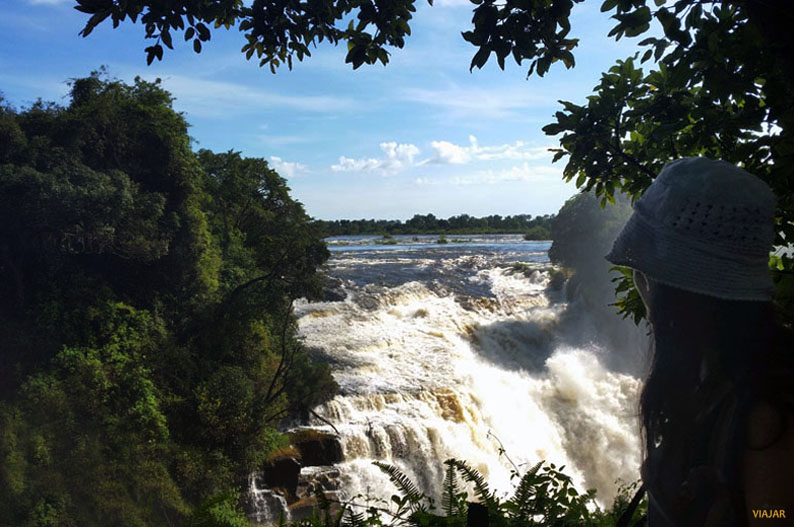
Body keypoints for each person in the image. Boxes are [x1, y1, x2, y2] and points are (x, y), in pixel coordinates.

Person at [605, 157, 794, 526]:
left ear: (680, 292)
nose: (644, 286)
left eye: (647, 275)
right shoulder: (725, 372)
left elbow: (774, 514)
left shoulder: (767, 412)